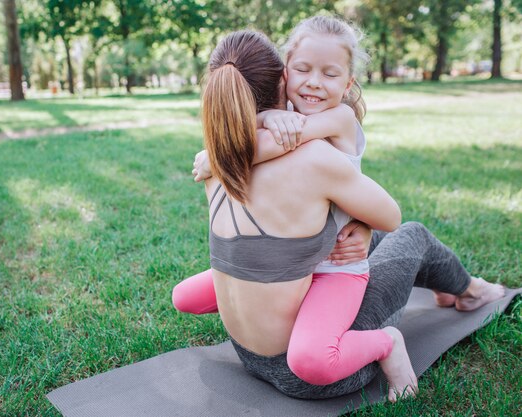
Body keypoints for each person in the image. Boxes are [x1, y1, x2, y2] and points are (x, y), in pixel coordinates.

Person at [172, 18, 505, 402]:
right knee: (408, 233)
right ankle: (465, 292)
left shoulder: (215, 162)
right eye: (302, 69)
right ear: (283, 76)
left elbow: (275, 146)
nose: (312, 82)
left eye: (328, 73)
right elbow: (390, 218)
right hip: (314, 357)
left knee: (357, 235)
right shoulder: (306, 156)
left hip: (249, 351)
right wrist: (270, 122)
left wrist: (231, 145)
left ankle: (457, 288)